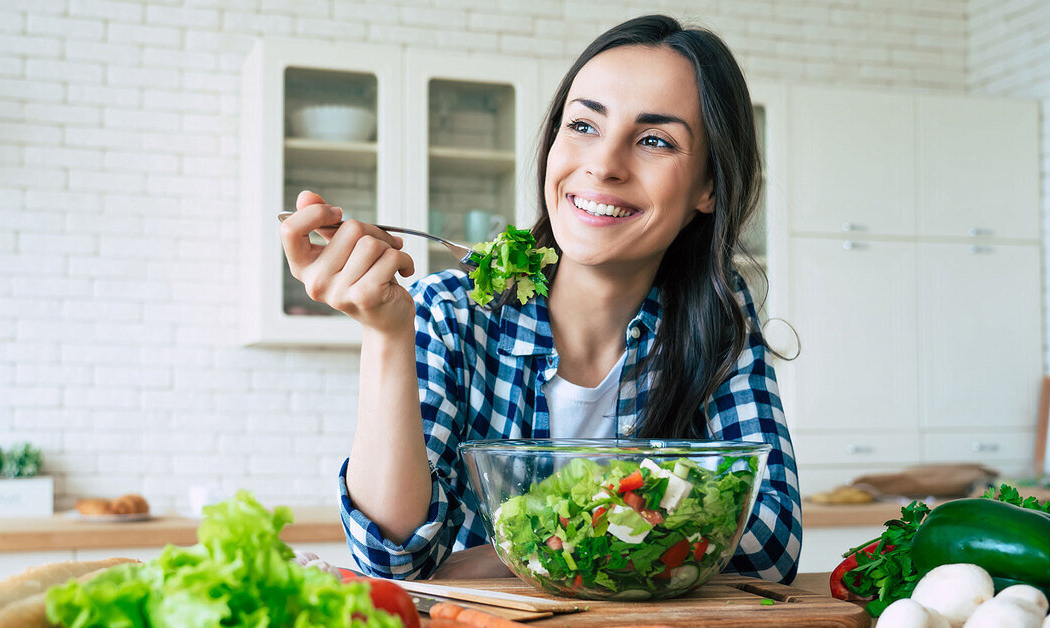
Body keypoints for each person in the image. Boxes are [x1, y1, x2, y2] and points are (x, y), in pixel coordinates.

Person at [279, 14, 802, 585]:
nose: (603, 164)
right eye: (583, 125)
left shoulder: (719, 317)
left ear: (708, 186)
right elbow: (394, 558)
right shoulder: (451, 313)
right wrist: (384, 333)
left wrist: (505, 555)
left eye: (654, 140)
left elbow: (769, 545)